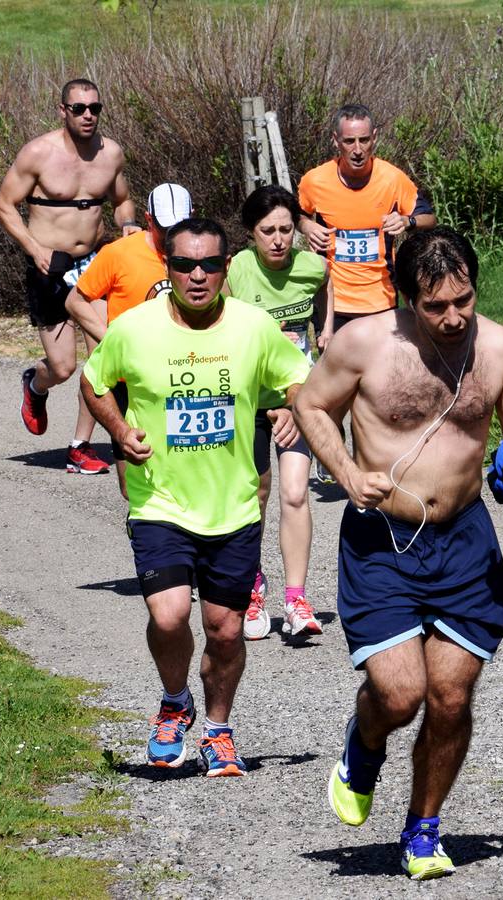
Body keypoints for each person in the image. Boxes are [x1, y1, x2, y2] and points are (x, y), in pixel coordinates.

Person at [294, 227, 503, 879]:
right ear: (407, 301)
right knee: (400, 695)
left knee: (451, 698)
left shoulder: (498, 348)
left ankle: (423, 830)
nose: (453, 316)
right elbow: (310, 405)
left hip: (462, 543)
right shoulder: (363, 344)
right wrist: (348, 475)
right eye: (436, 306)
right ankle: (364, 740)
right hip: (382, 543)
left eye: (463, 299)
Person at [80, 218, 309, 775]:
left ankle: (218, 728)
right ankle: (174, 700)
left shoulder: (254, 328)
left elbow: (302, 377)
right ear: (169, 268)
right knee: (169, 615)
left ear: (226, 268)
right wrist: (116, 428)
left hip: (233, 505)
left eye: (209, 264)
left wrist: (292, 408)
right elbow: (93, 380)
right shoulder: (134, 329)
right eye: (184, 264)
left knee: (226, 629)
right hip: (159, 500)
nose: (198, 275)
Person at [0, 77, 137, 474]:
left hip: (94, 264)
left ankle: (79, 446)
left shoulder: (111, 154)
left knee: (103, 360)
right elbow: (5, 205)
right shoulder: (38, 153)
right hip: (48, 265)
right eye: (79, 108)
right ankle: (35, 385)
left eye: (95, 108)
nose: (88, 115)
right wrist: (34, 248)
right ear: (63, 111)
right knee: (62, 366)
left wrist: (127, 226)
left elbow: (122, 201)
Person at [225, 185, 334, 641]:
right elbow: (222, 333)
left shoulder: (312, 267)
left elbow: (326, 291)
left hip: (297, 399)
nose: (278, 240)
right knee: (257, 496)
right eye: (267, 231)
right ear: (251, 234)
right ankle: (252, 588)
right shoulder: (238, 270)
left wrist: (324, 330)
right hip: (249, 403)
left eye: (287, 229)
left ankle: (295, 599)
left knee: (295, 493)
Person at [65, 183, 192, 497]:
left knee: (183, 472)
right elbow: (76, 301)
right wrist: (111, 340)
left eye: (181, 227)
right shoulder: (119, 254)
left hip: (185, 373)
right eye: (166, 229)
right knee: (131, 485)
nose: (174, 237)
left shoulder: (201, 253)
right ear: (149, 219)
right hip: (129, 381)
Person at [297, 103, 435, 334]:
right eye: (349, 141)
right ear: (335, 140)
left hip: (381, 301)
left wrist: (406, 222)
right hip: (332, 301)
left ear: (374, 138)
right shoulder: (315, 180)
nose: (358, 150)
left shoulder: (392, 179)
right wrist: (306, 225)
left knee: (382, 369)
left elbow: (429, 218)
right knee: (338, 369)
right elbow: (295, 213)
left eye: (364, 140)